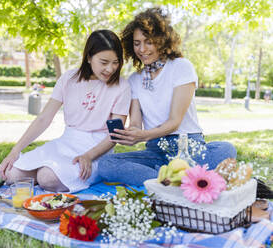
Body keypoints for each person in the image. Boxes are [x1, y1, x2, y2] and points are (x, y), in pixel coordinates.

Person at [98, 8, 237, 186]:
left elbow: (174, 122)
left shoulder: (181, 67)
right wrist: (132, 134)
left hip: (187, 147)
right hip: (155, 150)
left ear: (162, 41)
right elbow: (135, 123)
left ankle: (164, 179)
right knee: (107, 164)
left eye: (148, 42)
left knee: (226, 149)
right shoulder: (134, 80)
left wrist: (142, 135)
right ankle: (175, 180)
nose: (142, 49)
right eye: (137, 43)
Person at [0, 30, 131, 193]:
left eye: (115, 62)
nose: (110, 69)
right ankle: (44, 174)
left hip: (96, 149)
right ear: (89, 57)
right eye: (104, 62)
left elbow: (114, 135)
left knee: (47, 178)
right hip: (66, 142)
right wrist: (15, 151)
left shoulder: (121, 86)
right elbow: (44, 119)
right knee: (11, 174)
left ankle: (47, 176)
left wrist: (89, 156)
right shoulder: (69, 79)